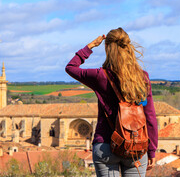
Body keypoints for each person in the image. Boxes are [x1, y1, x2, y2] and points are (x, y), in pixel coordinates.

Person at [65, 27, 157, 177]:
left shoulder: (100, 76)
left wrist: (90, 47)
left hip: (105, 146)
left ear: (107, 48)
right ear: (128, 47)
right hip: (135, 145)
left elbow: (71, 67)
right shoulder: (143, 77)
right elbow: (150, 116)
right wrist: (152, 149)